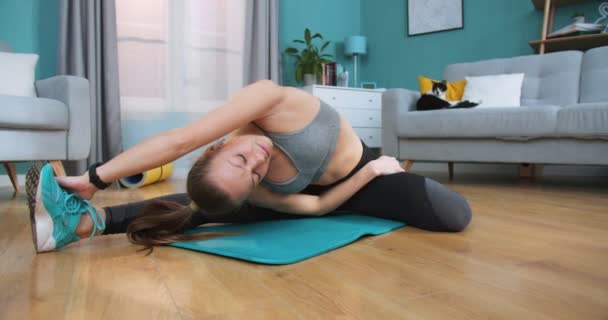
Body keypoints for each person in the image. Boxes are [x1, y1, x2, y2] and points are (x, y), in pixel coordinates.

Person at [26, 80, 472, 253]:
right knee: (208, 200)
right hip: (308, 199)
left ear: (215, 147)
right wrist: (250, 184)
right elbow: (314, 209)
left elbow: (178, 139)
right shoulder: (248, 181)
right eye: (253, 172)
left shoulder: (265, 102)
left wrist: (94, 178)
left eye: (241, 158)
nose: (257, 160)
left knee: (453, 214)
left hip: (362, 177)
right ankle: (79, 225)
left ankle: (86, 203)